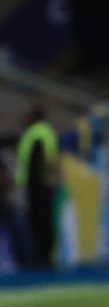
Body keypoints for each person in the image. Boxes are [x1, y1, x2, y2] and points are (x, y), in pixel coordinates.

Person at [15, 107, 59, 267]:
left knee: (40, 221)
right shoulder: (43, 132)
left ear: (34, 117)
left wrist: (41, 181)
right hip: (40, 183)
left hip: (38, 184)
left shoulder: (38, 133)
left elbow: (43, 158)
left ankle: (43, 257)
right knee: (42, 220)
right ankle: (43, 255)